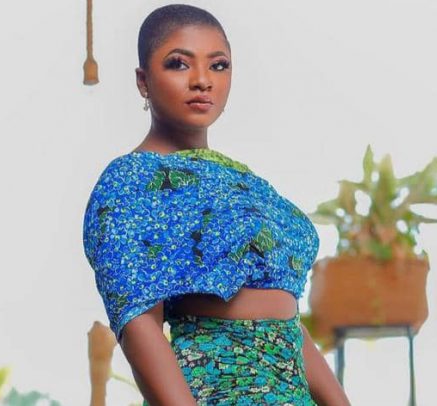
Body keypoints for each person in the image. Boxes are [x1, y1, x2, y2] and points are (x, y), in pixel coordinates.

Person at [82, 4, 351, 405]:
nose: (202, 81)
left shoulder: (246, 183)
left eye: (218, 65)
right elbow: (139, 325)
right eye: (178, 64)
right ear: (143, 81)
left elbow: (284, 317)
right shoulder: (130, 183)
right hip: (218, 392)